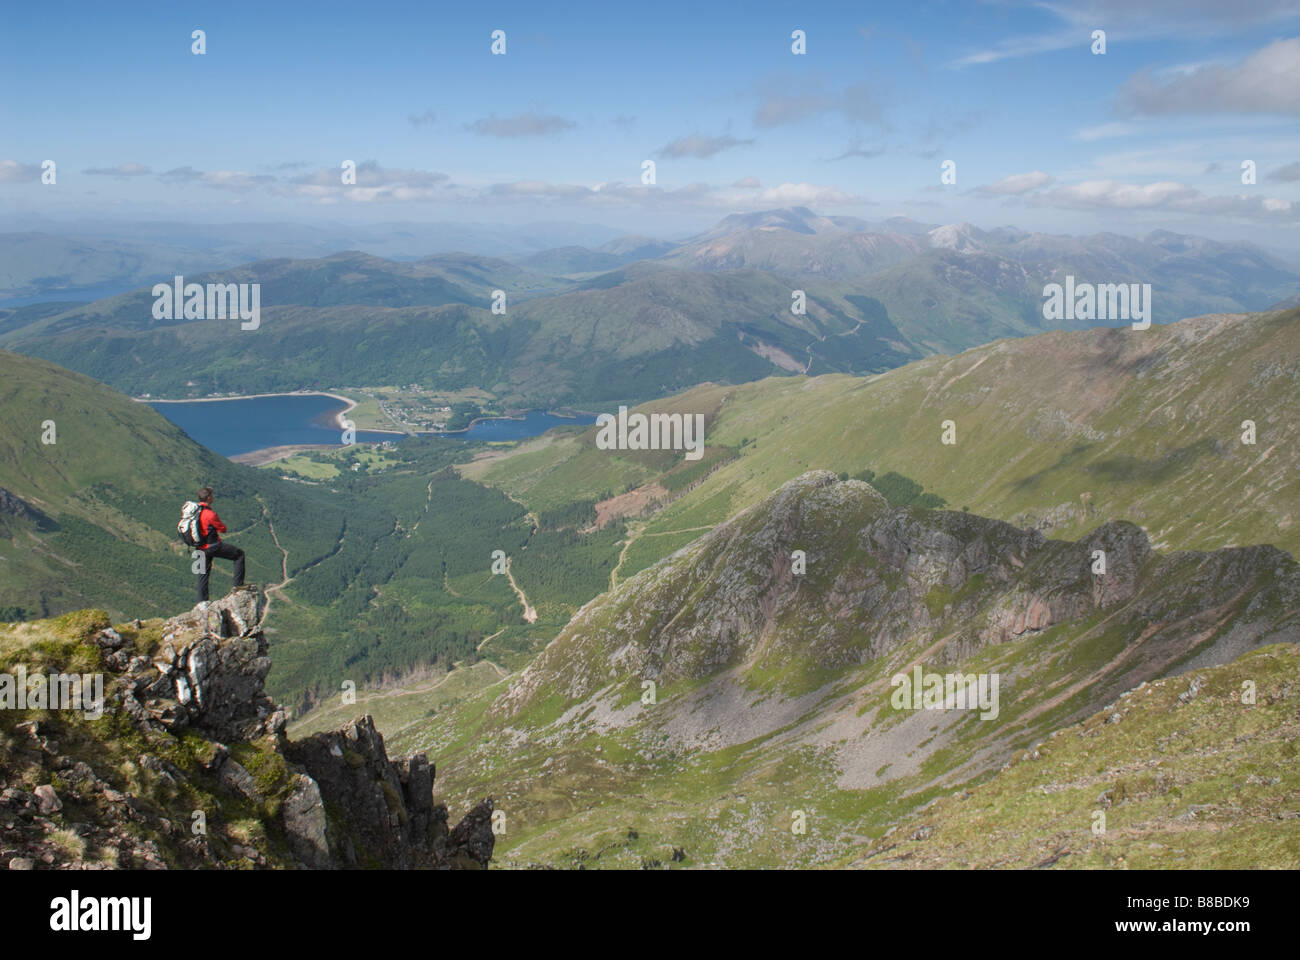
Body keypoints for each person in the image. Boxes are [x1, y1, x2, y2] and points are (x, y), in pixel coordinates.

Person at [194, 486, 245, 601]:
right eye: (212, 495)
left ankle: (202, 604)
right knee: (239, 555)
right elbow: (222, 528)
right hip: (213, 547)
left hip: (199, 549)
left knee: (202, 576)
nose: (213, 497)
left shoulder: (194, 512)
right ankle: (237, 586)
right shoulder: (210, 514)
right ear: (208, 498)